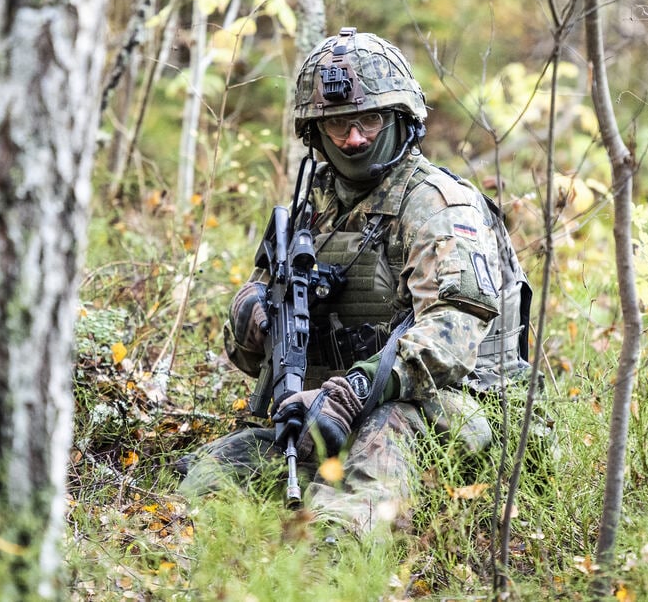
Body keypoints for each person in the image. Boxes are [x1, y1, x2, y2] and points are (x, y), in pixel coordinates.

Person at [176, 27, 547, 536]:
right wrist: (252, 314)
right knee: (207, 478)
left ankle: (340, 552)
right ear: (317, 132)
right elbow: (244, 351)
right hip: (329, 412)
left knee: (382, 435)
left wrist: (351, 391)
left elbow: (451, 341)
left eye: (369, 120)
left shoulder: (437, 206)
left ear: (400, 120)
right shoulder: (313, 207)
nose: (354, 138)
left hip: (454, 408)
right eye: (338, 125)